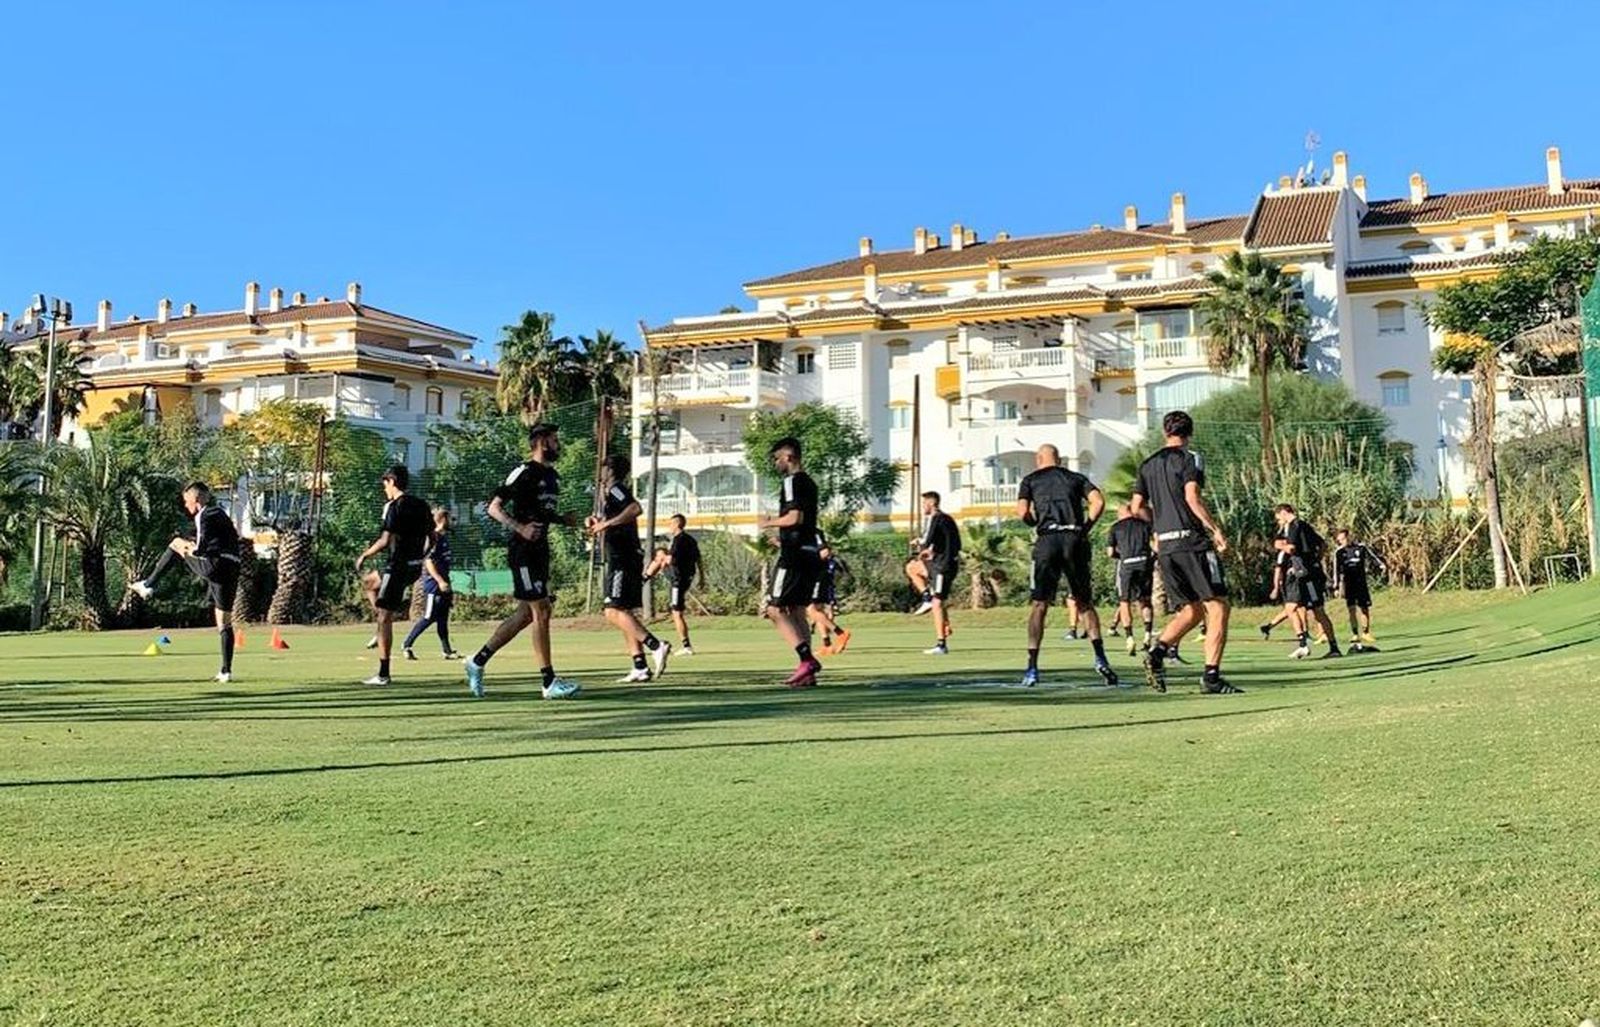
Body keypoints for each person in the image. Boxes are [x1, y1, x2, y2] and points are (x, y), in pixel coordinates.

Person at [463, 423, 581, 700]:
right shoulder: (523, 471)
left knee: (527, 614)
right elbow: (493, 508)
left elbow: (542, 513)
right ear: (541, 442)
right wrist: (520, 528)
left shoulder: (553, 476)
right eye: (554, 439)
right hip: (523, 551)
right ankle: (549, 682)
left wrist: (565, 520)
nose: (557, 444)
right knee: (541, 609)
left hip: (541, 551)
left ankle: (477, 661)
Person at [1129, 410, 1240, 694]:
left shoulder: (1147, 464)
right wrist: (1215, 530)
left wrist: (1160, 524)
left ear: (1166, 432)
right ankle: (1211, 677)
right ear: (1189, 433)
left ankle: (1157, 653)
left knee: (1191, 609)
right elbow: (1192, 498)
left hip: (1166, 546)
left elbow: (1135, 507)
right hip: (1192, 543)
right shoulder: (1191, 459)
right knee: (1217, 606)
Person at [1016, 445, 1117, 688]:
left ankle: (1032, 667)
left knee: (1040, 604)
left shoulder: (1030, 480)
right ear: (1059, 460)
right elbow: (1098, 501)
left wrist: (1035, 522)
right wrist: (1085, 527)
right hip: (1074, 540)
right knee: (1084, 601)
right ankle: (1100, 657)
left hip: (1048, 541)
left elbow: (1022, 512)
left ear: (1038, 459)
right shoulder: (1076, 478)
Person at [129, 481, 242, 683]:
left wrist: (188, 546)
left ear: (195, 499)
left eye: (186, 501)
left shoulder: (204, 514)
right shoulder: (220, 514)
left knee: (175, 544)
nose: (185, 505)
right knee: (224, 621)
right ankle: (226, 671)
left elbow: (200, 548)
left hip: (215, 565)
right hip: (232, 569)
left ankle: (148, 585)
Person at [589, 454, 671, 683]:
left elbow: (635, 508)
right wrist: (597, 521)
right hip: (620, 555)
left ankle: (656, 645)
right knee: (623, 611)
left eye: (603, 467)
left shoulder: (616, 489)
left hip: (622, 557)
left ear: (610, 470)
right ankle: (640, 666)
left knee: (612, 610)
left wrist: (607, 523)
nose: (600, 471)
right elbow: (611, 517)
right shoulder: (607, 494)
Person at [354, 465, 434, 686]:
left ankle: (383, 674)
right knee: (370, 583)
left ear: (391, 482)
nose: (384, 489)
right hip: (414, 566)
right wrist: (421, 555)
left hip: (397, 566)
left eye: (385, 484)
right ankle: (382, 619)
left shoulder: (394, 507)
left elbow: (384, 541)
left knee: (384, 618)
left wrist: (364, 555)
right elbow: (432, 536)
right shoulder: (421, 505)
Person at [757, 437, 824, 688]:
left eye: (777, 458)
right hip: (809, 551)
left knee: (774, 609)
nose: (776, 463)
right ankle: (807, 675)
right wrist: (782, 537)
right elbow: (804, 521)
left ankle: (807, 660)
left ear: (789, 457)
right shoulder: (810, 482)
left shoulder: (792, 481)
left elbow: (795, 517)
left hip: (794, 556)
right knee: (796, 610)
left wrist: (770, 522)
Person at [1274, 504, 1341, 660]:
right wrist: (1316, 559)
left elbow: (1291, 548)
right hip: (1313, 572)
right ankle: (1333, 647)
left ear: (1284, 513)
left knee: (1291, 607)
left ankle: (1304, 644)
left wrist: (1279, 545)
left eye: (1279, 518)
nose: (1280, 521)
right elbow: (1323, 544)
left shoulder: (1293, 525)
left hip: (1301, 575)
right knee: (1316, 610)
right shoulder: (1306, 525)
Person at [400, 507, 464, 661]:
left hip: (444, 583)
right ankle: (407, 644)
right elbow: (428, 561)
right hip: (433, 585)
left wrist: (446, 582)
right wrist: (440, 581)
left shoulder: (444, 537)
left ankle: (447, 651)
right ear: (442, 519)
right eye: (450, 519)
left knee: (442, 618)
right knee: (429, 616)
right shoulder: (434, 537)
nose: (452, 522)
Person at [644, 513, 701, 656]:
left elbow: (670, 559)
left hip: (677, 579)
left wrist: (662, 558)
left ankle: (686, 646)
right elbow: (698, 560)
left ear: (676, 524)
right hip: (685, 577)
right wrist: (702, 577)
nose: (669, 527)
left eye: (670, 524)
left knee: (677, 613)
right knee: (660, 558)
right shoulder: (690, 540)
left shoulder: (678, 540)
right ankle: (644, 578)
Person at [1107, 503, 1155, 658]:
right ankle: (1148, 635)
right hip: (1144, 564)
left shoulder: (1115, 528)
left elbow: (1110, 552)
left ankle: (1129, 637)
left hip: (1127, 566)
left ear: (1120, 514)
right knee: (1145, 600)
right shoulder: (1145, 525)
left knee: (1124, 601)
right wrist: (1151, 558)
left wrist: (1121, 557)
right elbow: (1155, 544)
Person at [918, 491, 961, 655]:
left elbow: (927, 541)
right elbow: (947, 543)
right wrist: (932, 552)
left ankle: (941, 644)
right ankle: (926, 597)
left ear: (930, 503)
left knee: (937, 602)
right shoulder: (946, 519)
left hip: (943, 567)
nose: (923, 507)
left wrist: (921, 547)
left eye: (924, 504)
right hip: (940, 563)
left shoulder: (937, 519)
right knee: (913, 568)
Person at [1332, 528, 1386, 651]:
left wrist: (1381, 565)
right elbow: (1336, 570)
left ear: (1349, 537)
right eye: (1339, 540)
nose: (1341, 542)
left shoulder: (1361, 547)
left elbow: (1373, 557)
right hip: (1348, 583)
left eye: (1343, 539)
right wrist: (1336, 586)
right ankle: (1355, 633)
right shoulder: (1339, 552)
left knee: (1364, 607)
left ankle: (1366, 632)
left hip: (1361, 582)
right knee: (1351, 609)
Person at [808, 539, 852, 654]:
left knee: (812, 610)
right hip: (817, 581)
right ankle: (826, 644)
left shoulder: (823, 556)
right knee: (817, 613)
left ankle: (840, 633)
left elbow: (825, 552)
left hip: (818, 581)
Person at [1260, 528, 1301, 642]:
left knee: (1292, 608)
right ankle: (1303, 637)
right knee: (1293, 608)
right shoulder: (1282, 554)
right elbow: (1278, 571)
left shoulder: (1295, 551)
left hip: (1297, 582)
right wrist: (1276, 587)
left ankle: (1268, 627)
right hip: (1289, 584)